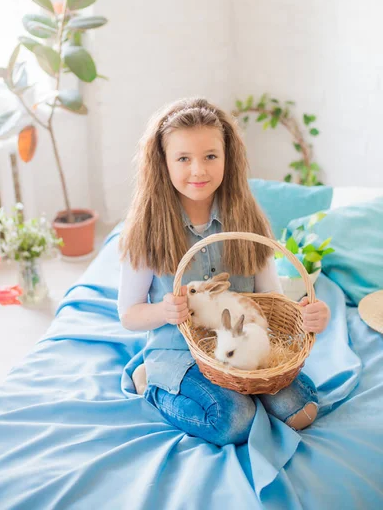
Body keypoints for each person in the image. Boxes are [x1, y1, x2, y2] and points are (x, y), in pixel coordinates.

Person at [118, 98, 330, 447]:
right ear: (163, 163)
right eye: (183, 158)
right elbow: (129, 315)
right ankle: (150, 382)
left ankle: (242, 389)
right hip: (180, 354)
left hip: (241, 346)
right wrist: (163, 312)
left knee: (300, 410)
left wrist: (306, 313)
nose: (198, 170)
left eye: (210, 156)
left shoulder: (247, 221)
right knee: (234, 423)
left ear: (227, 158)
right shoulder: (146, 230)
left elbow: (271, 300)